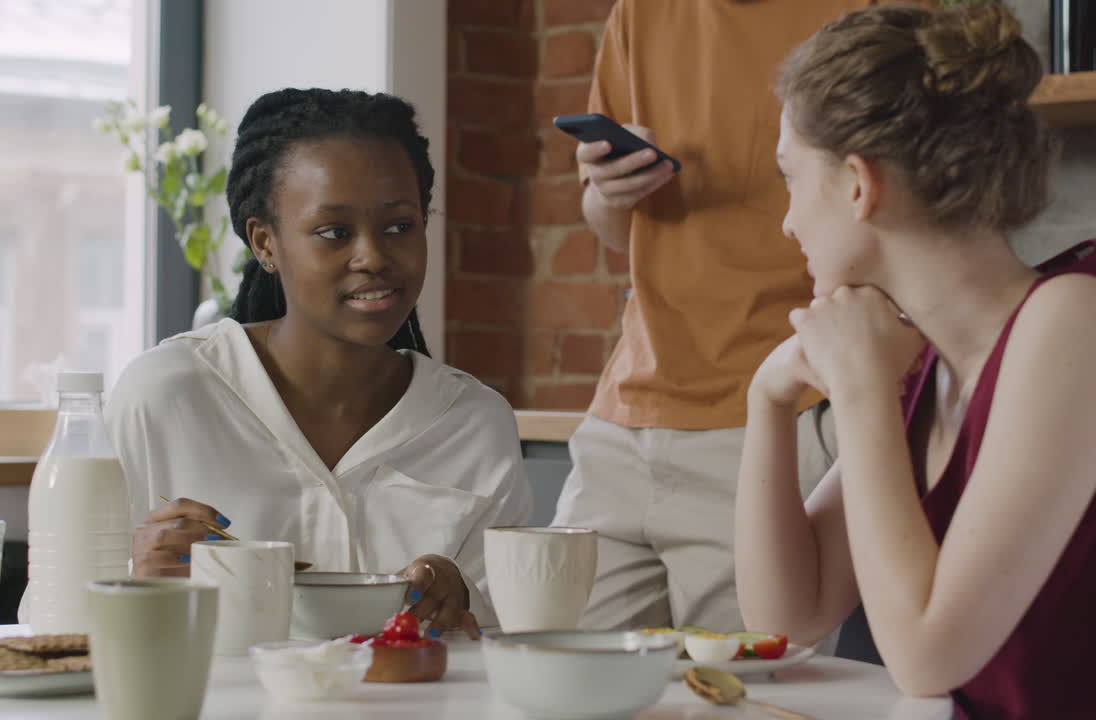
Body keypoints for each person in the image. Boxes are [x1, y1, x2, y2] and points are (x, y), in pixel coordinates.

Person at [734, 4, 1096, 718]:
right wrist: (767, 402)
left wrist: (864, 389)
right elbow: (788, 617)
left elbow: (928, 657)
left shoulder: (1070, 322)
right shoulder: (926, 363)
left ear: (857, 185)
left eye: (790, 178)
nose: (787, 221)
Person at [106, 88, 532, 637]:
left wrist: (462, 599)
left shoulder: (474, 422)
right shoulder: (165, 395)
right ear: (265, 242)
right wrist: (139, 579)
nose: (374, 257)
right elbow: (56, 623)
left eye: (400, 226)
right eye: (334, 232)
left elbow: (509, 639)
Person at [552, 0, 905, 634]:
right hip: (624, 414)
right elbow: (610, 229)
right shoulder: (638, 14)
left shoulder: (878, 15)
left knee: (744, 696)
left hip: (787, 411)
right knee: (560, 686)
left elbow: (910, 213)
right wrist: (608, 191)